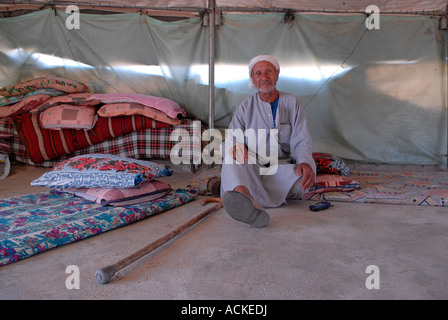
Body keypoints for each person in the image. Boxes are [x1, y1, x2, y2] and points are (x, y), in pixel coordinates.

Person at [220, 54, 316, 228]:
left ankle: (238, 189)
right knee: (231, 158)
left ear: (277, 74)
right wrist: (236, 147)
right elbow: (231, 139)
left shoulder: (291, 102)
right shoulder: (245, 107)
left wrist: (304, 162)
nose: (264, 77)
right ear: (253, 79)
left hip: (282, 168)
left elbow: (302, 139)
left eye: (268, 72)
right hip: (253, 165)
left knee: (304, 179)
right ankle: (245, 198)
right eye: (258, 74)